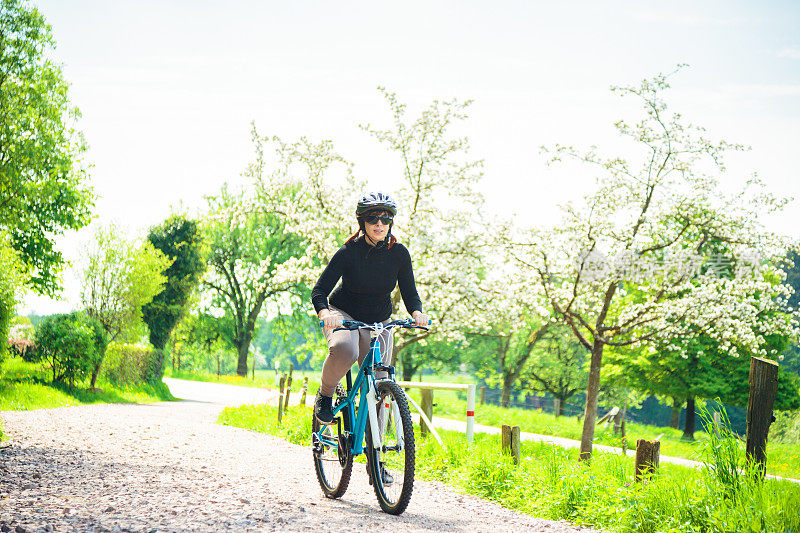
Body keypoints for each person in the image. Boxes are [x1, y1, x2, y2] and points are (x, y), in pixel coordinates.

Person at [311, 192, 429, 425]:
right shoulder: (349, 252)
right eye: (373, 218)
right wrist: (325, 314)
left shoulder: (399, 254)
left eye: (385, 219)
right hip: (344, 314)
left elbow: (410, 293)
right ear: (362, 222)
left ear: (390, 223)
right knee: (346, 350)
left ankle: (376, 451)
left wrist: (417, 312)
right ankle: (325, 396)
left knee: (381, 382)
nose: (379, 224)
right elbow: (319, 290)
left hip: (379, 320)